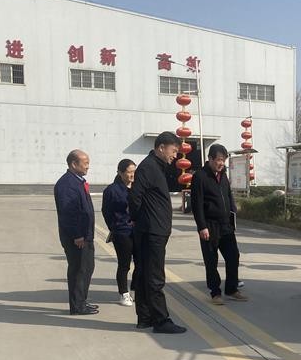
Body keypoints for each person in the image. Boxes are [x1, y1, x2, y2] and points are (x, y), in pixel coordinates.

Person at [129, 132, 187, 334]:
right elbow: (135, 197)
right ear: (161, 147)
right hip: (151, 231)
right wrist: (140, 220)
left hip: (153, 230)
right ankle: (161, 321)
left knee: (145, 274)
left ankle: (145, 318)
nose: (175, 156)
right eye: (173, 151)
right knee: (154, 276)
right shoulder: (149, 167)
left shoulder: (155, 167)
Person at [191, 143, 247, 305]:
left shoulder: (223, 175)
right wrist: (202, 226)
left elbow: (228, 195)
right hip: (210, 225)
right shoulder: (200, 176)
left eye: (224, 160)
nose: (221, 163)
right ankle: (215, 292)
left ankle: (232, 289)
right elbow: (197, 204)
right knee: (211, 260)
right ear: (210, 159)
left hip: (225, 225)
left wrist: (233, 211)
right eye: (219, 160)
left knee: (233, 256)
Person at [54, 149, 97, 315]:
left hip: (85, 235)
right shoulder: (66, 184)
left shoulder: (77, 181)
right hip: (77, 238)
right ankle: (77, 306)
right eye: (85, 163)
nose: (88, 166)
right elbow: (68, 213)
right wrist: (77, 235)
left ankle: (81, 301)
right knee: (79, 270)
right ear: (73, 164)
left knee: (87, 268)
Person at [102, 158, 136, 307]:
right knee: (124, 264)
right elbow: (106, 211)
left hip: (138, 230)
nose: (132, 175)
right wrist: (114, 226)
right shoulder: (111, 190)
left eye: (134, 171)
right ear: (120, 173)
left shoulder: (137, 187)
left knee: (141, 262)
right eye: (129, 172)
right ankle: (123, 293)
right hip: (122, 232)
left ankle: (135, 289)